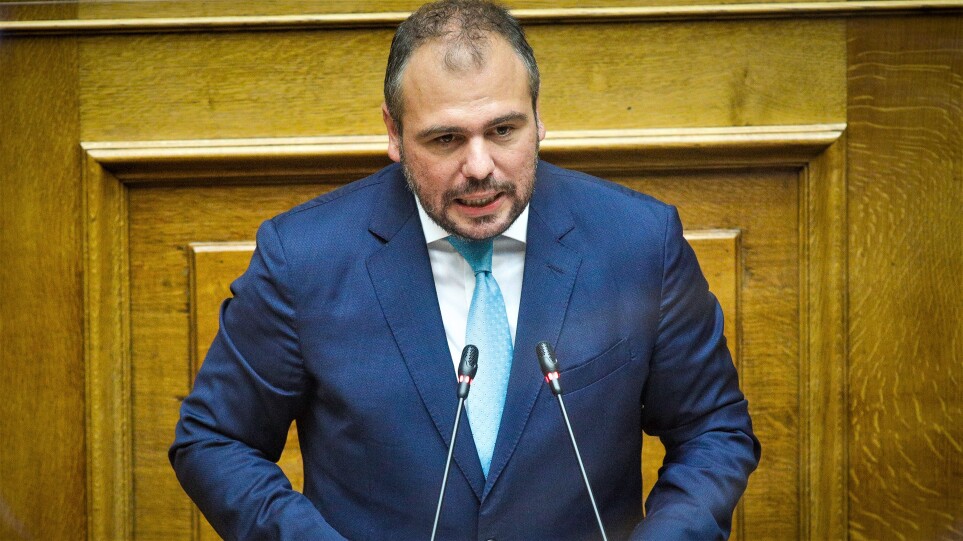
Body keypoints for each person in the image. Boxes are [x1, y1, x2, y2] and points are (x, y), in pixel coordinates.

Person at [169, 1, 761, 539]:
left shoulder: (639, 242)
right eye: (446, 139)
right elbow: (216, 439)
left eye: (503, 130)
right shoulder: (303, 259)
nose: (480, 166)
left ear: (539, 118)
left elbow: (712, 430)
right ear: (394, 133)